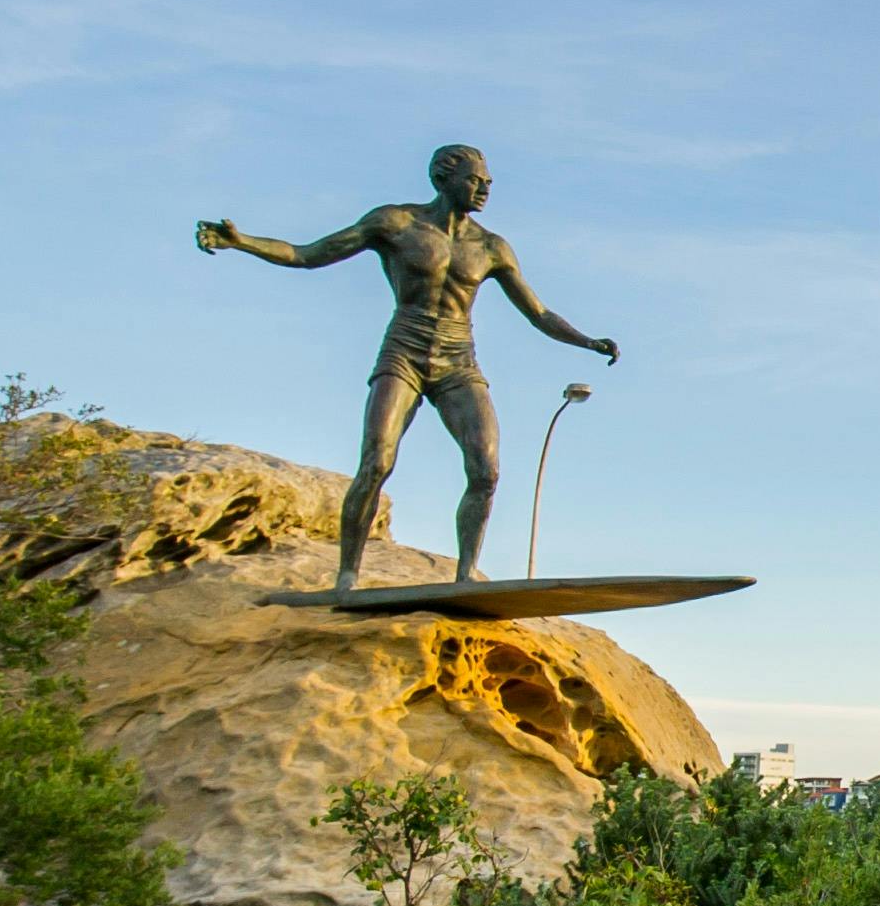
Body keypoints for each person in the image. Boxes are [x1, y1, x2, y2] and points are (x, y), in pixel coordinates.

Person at [195, 144, 619, 587]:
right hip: (404, 352)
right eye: (475, 180)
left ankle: (465, 573)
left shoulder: (491, 247)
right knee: (377, 461)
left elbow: (539, 313)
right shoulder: (396, 223)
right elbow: (308, 254)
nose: (484, 189)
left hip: (458, 360)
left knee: (486, 469)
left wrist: (587, 341)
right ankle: (347, 574)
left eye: (488, 182)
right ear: (443, 179)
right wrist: (242, 242)